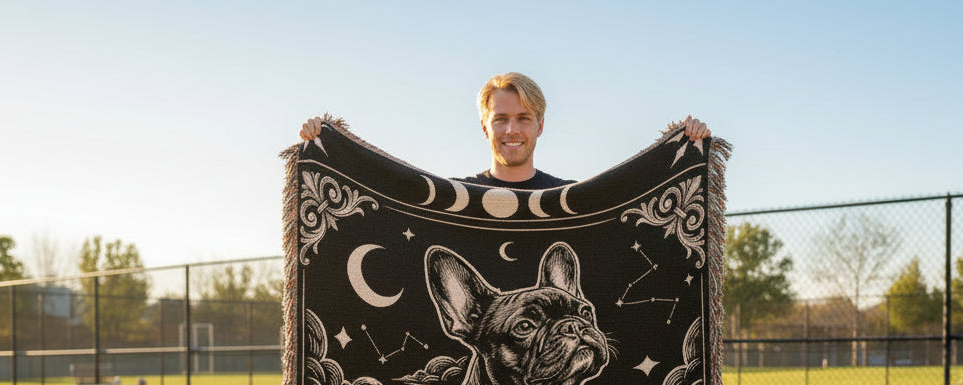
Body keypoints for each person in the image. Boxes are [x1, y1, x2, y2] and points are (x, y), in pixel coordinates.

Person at [298, 72, 711, 191]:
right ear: (485, 127)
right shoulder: (454, 197)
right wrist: (324, 148)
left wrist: (688, 147)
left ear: (540, 126)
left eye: (523, 118)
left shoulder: (568, 199)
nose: (512, 130)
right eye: (501, 119)